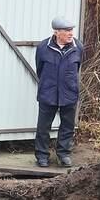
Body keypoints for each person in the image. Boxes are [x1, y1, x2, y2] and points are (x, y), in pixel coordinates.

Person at [34, 16, 83, 168]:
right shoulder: (43, 47)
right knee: (43, 127)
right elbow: (39, 69)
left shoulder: (78, 47)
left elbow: (78, 67)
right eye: (67, 30)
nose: (71, 33)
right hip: (48, 93)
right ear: (56, 32)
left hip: (69, 93)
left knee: (67, 126)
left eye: (71, 30)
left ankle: (64, 154)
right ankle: (42, 155)